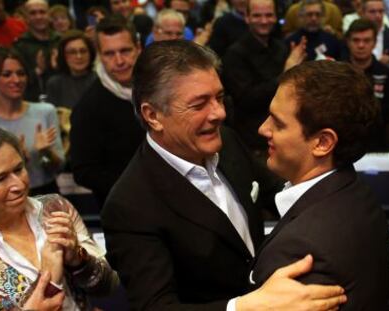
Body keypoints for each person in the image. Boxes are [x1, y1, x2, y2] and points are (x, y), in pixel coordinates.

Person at [101, 39, 347, 311]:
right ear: (153, 115)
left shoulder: (227, 141)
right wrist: (244, 307)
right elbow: (156, 307)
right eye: (199, 105)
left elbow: (278, 194)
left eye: (218, 98)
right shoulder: (130, 205)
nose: (219, 113)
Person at [251, 60, 389, 310]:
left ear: (323, 142)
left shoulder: (300, 250)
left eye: (278, 123)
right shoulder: (357, 193)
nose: (263, 129)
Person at [0, 124, 119, 310]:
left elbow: (108, 286)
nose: (18, 185)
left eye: (18, 169)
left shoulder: (54, 208)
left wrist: (78, 259)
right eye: (0, 179)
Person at [70, 16, 145, 207]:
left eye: (125, 50)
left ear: (138, 47)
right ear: (99, 55)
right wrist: (136, 187)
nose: (119, 61)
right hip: (123, 209)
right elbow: (83, 171)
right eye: (109, 54)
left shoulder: (158, 88)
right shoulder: (88, 108)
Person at [223, 0, 306, 158]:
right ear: (247, 17)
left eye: (269, 15)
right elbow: (247, 99)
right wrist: (287, 73)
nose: (264, 21)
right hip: (254, 143)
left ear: (276, 17)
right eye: (257, 15)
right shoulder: (235, 54)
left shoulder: (280, 47)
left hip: (286, 137)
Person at [0, 47, 64, 195]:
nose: (16, 80)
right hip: (2, 198)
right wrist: (17, 160)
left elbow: (59, 167)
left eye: (21, 74)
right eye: (7, 74)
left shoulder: (45, 111)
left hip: (45, 193)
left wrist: (46, 153)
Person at [343, 18, 389, 151]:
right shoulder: (337, 73)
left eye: (367, 40)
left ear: (374, 43)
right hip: (343, 144)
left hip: (378, 145)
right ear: (348, 42)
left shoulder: (387, 74)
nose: (361, 45)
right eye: (356, 40)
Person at [14, 0, 60, 102]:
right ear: (26, 18)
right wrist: (37, 71)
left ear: (49, 15)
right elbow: (15, 79)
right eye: (33, 13)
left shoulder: (60, 41)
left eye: (42, 12)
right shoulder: (20, 46)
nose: (38, 17)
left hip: (62, 98)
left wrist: (59, 66)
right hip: (33, 101)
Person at [362, 0, 389, 76]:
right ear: (362, 13)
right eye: (372, 12)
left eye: (381, 11)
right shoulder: (354, 35)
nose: (378, 16)